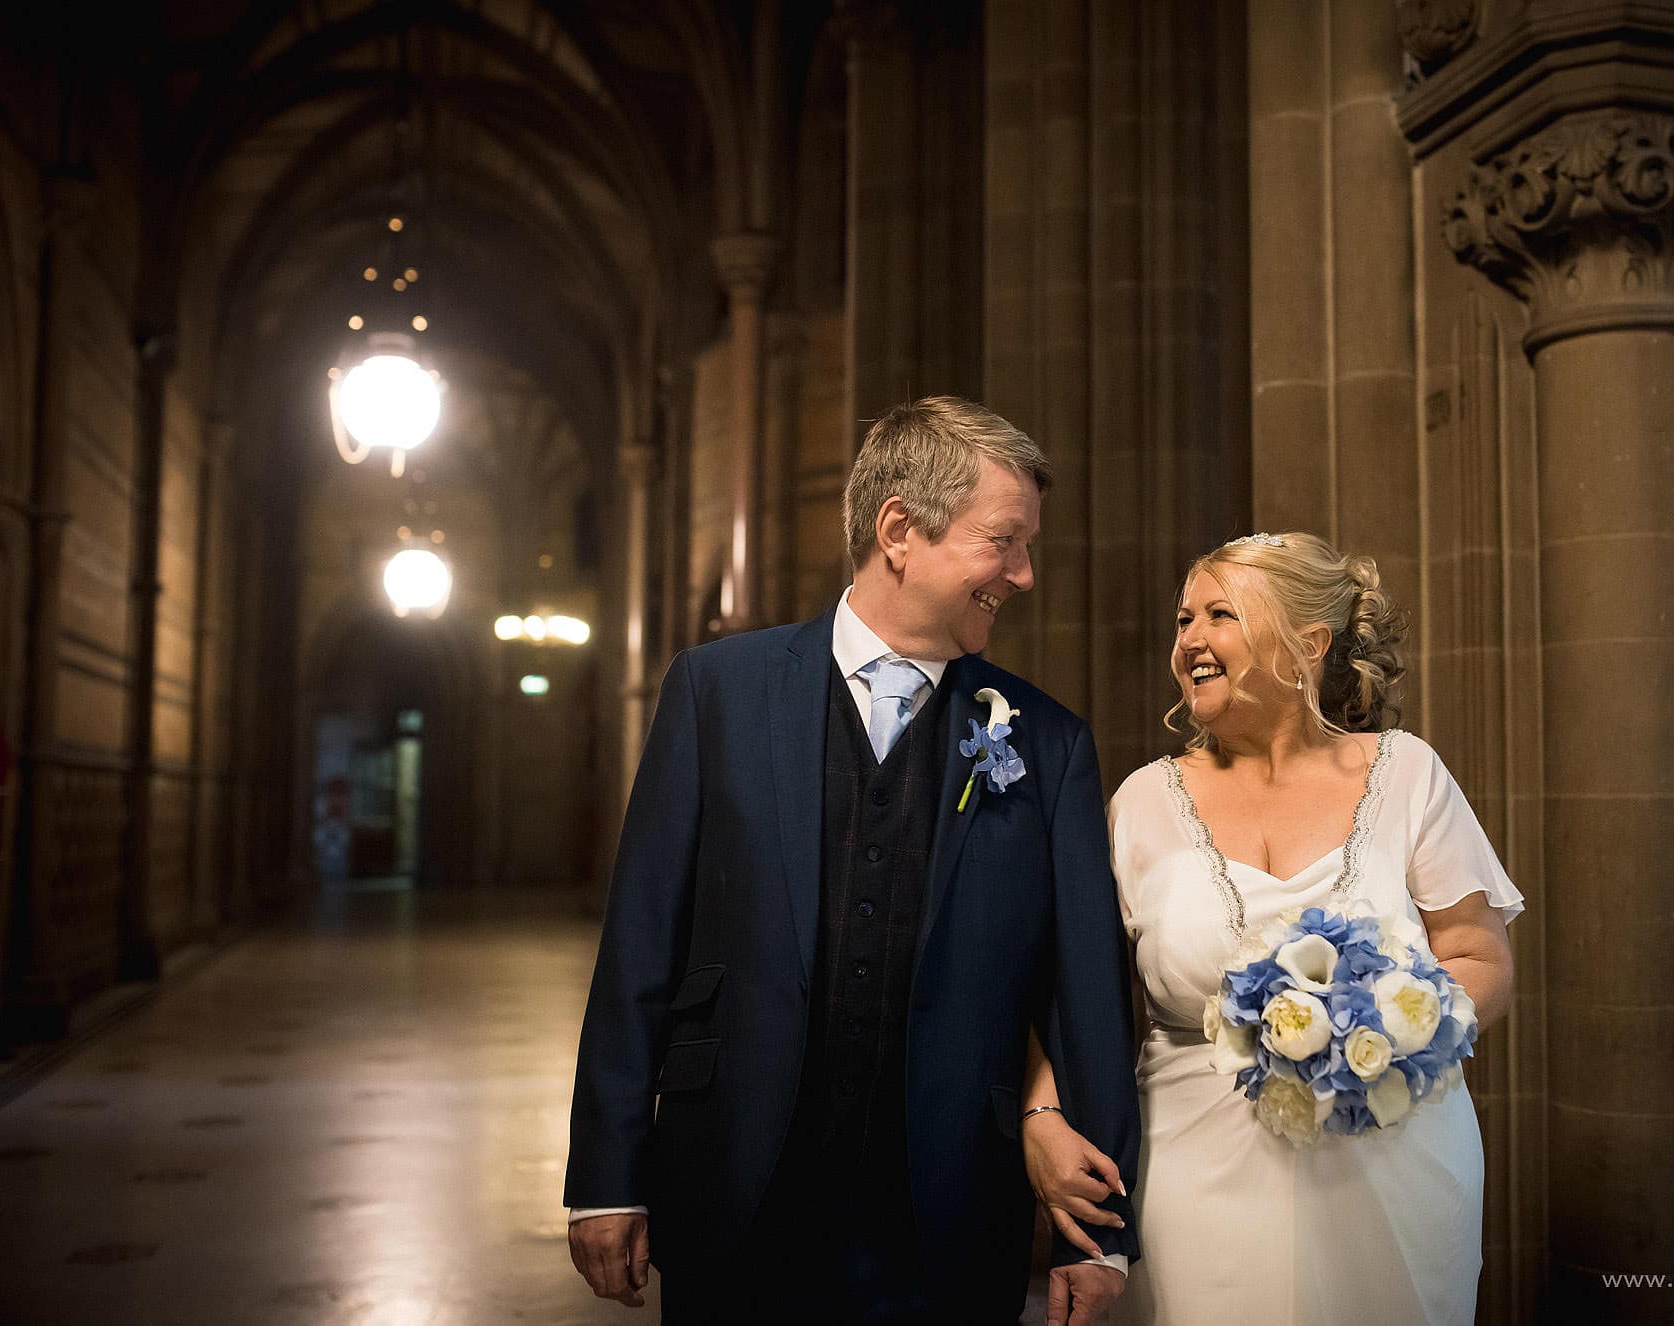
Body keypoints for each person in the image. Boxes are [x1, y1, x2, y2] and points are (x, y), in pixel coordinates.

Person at [564, 397, 1140, 1324]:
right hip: (735, 1188)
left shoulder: (1049, 743)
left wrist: (1104, 1232)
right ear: (900, 530)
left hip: (949, 1212)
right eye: (1005, 542)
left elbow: (1083, 992)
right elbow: (640, 947)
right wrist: (604, 1177)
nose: (1024, 575)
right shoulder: (718, 693)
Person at [1019, 532, 1521, 1324]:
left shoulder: (1408, 774)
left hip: (1390, 1160)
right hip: (1194, 1163)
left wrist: (1381, 1034)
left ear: (1307, 645)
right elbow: (1076, 989)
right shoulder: (1143, 802)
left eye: (1220, 614)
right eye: (1184, 619)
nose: (1190, 640)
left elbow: (1478, 957)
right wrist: (1041, 1115)